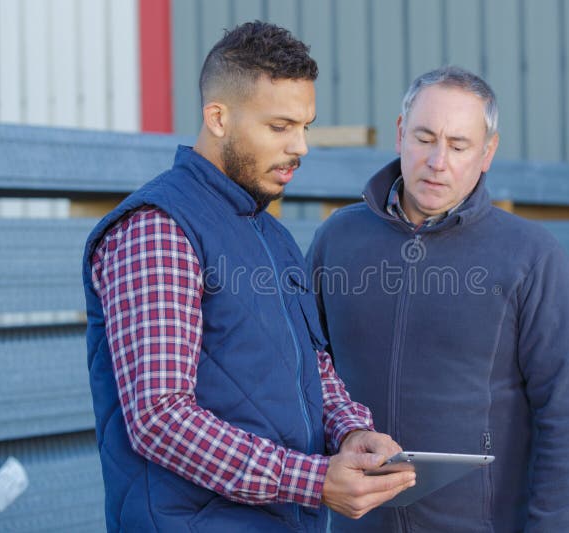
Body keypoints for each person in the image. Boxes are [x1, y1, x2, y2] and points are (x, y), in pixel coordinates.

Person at [82, 21, 414, 532]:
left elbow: (313, 372)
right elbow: (160, 418)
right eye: (280, 127)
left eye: (306, 126)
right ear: (218, 117)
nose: (300, 146)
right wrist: (313, 480)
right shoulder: (159, 229)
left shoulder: (272, 237)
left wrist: (351, 433)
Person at [307, 65, 569, 532]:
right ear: (401, 134)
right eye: (424, 138)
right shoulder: (337, 239)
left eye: (458, 145)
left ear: (487, 153)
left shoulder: (531, 257)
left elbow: (568, 416)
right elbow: (305, 372)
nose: (437, 161)